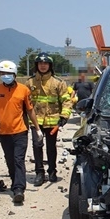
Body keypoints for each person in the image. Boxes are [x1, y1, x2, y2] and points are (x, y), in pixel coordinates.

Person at [0, 60, 42, 205]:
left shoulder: (23, 90)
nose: (6, 76)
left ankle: (19, 190)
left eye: (9, 74)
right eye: (3, 73)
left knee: (18, 159)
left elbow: (30, 110)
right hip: (3, 132)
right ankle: (14, 182)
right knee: (10, 160)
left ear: (14, 74)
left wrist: (37, 128)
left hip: (20, 131)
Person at [26, 53, 73, 185]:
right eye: (40, 63)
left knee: (51, 147)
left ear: (50, 66)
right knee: (37, 145)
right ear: (36, 65)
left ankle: (52, 171)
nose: (43, 66)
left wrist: (64, 116)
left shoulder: (58, 83)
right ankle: (39, 173)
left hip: (53, 121)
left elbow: (66, 100)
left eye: (45, 63)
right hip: (36, 121)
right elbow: (24, 101)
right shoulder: (30, 82)